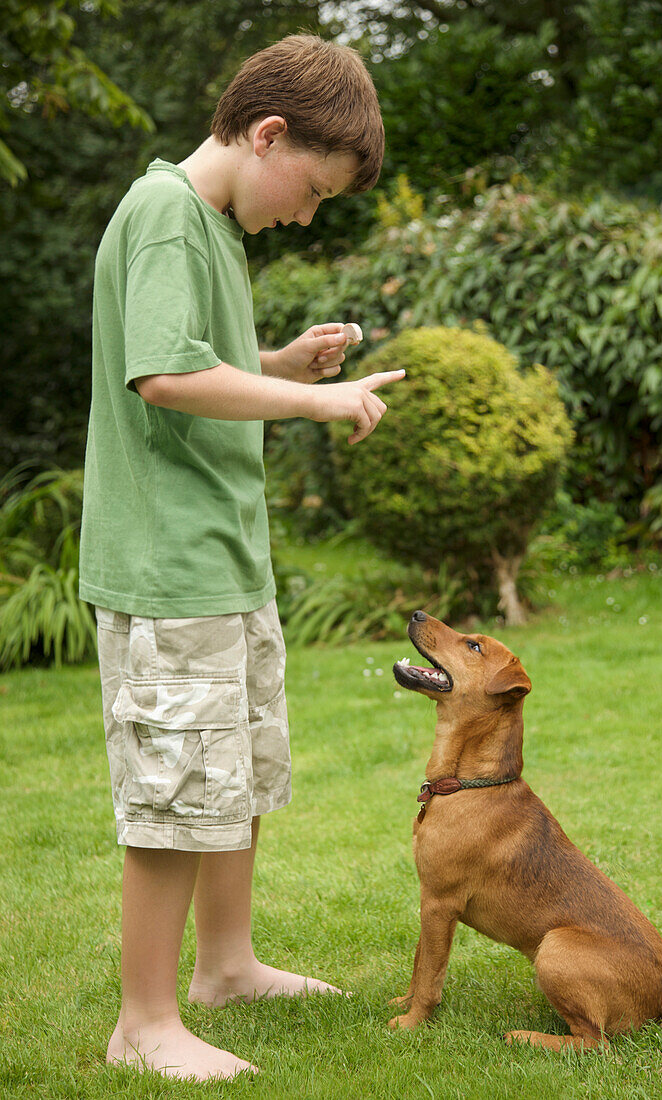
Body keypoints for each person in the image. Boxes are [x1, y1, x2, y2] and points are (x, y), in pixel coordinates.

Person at [79, 34, 403, 1081]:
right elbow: (165, 377)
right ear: (268, 134)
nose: (308, 214)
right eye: (312, 188)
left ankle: (226, 965)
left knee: (232, 777)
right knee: (176, 793)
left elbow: (196, 358)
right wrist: (314, 398)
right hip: (168, 562)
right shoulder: (169, 215)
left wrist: (277, 363)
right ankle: (143, 1020)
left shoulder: (210, 227)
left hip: (222, 555)